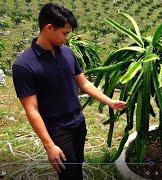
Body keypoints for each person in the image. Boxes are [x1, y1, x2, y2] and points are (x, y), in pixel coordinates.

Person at [12, 3, 126, 180]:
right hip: (57, 131)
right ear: (49, 28)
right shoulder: (24, 66)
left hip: (79, 123)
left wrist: (109, 101)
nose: (67, 38)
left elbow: (84, 84)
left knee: (78, 165)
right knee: (69, 175)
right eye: (64, 33)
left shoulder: (67, 53)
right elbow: (31, 110)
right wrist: (49, 145)